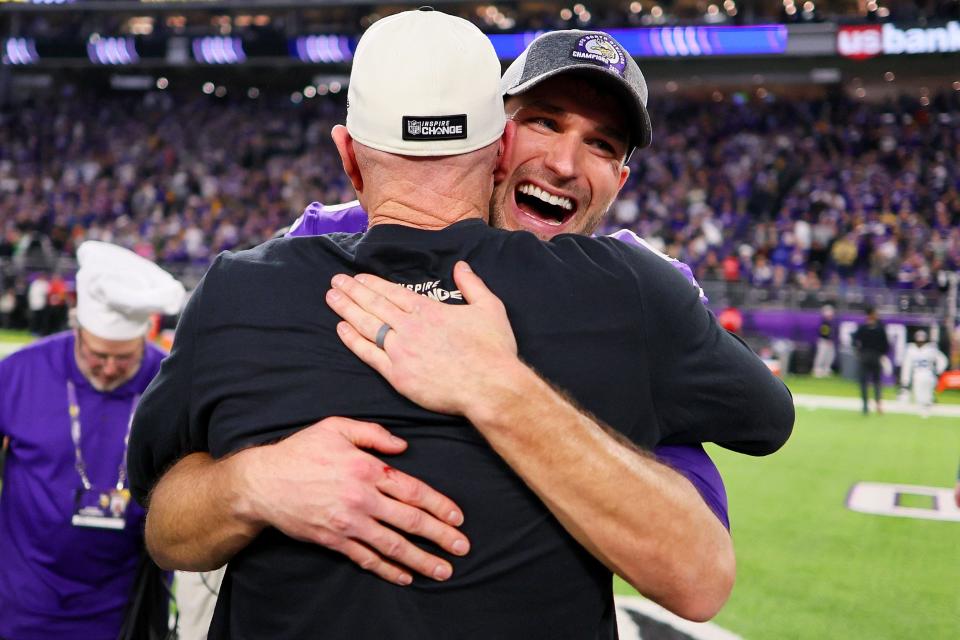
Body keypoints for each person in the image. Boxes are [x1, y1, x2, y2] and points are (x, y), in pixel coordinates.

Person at [128, 9, 793, 638]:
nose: (564, 162)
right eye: (545, 123)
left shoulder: (632, 299)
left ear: (619, 181)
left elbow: (700, 568)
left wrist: (498, 388)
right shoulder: (284, 264)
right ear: (496, 138)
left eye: (599, 144)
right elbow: (164, 513)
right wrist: (253, 483)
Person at [0, 241, 184, 640]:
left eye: (124, 358)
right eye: (98, 355)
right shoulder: (19, 373)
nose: (109, 368)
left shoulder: (170, 381)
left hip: (125, 606)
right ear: (77, 328)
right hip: (23, 600)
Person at [899, 330, 948, 418]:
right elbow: (943, 360)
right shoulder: (929, 349)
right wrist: (938, 371)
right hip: (927, 375)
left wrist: (905, 381)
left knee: (922, 396)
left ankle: (926, 409)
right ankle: (927, 408)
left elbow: (906, 367)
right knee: (923, 397)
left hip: (923, 375)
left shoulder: (918, 349)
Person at [853, 306, 890, 415]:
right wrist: (881, 353)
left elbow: (854, 340)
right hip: (875, 356)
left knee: (864, 382)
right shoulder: (879, 328)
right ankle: (877, 403)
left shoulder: (862, 327)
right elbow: (886, 344)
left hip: (864, 356)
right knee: (876, 381)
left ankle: (866, 405)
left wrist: (859, 351)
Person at [812, 304, 836, 378]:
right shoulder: (824, 323)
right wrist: (828, 339)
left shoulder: (831, 323)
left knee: (830, 356)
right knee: (821, 355)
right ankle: (817, 370)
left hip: (829, 342)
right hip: (824, 341)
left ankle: (826, 370)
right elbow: (824, 332)